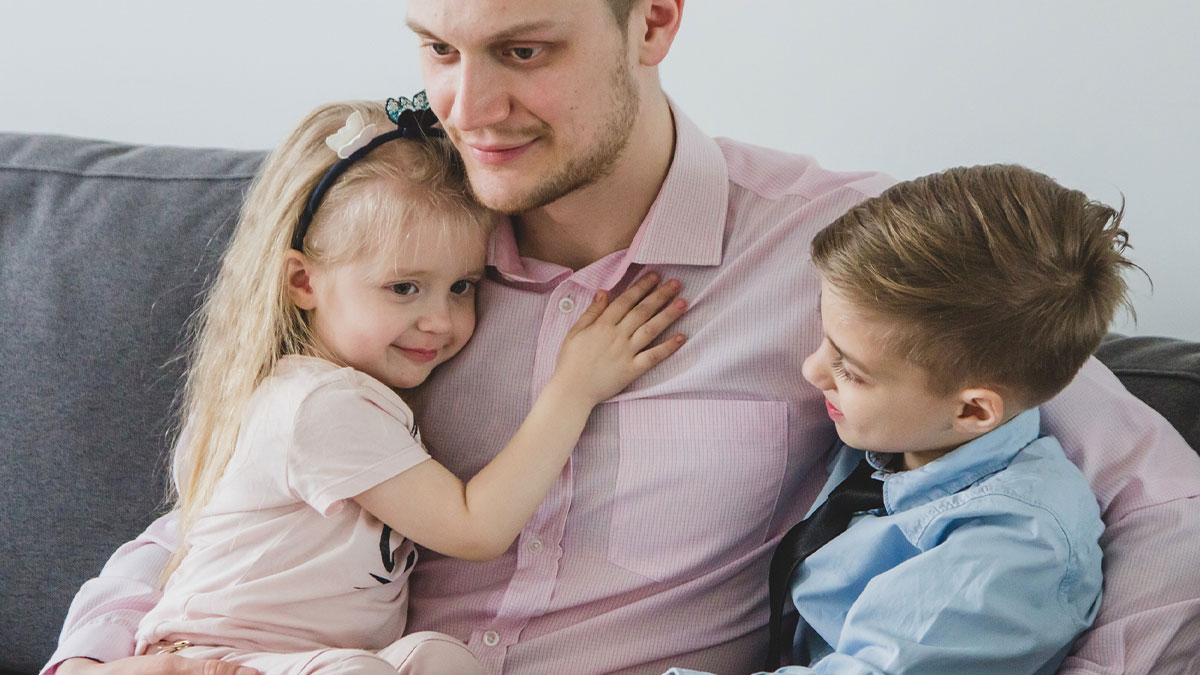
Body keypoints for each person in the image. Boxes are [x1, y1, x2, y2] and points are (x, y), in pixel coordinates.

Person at [44, 2, 1200, 674]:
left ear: (652, 20)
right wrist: (100, 651)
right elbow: (248, 488)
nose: (466, 112)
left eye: (524, 52)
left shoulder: (845, 260)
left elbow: (1161, 502)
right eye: (438, 49)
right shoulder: (397, 259)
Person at [81, 97, 686, 675]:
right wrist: (574, 387)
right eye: (403, 288)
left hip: (320, 657)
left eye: (462, 286)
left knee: (438, 659)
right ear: (303, 282)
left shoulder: (333, 394)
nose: (440, 320)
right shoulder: (319, 404)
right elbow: (474, 527)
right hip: (226, 657)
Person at [669, 164, 1133, 675]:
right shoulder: (912, 435)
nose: (812, 371)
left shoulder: (1008, 553)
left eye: (850, 370)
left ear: (972, 411)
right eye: (826, 340)